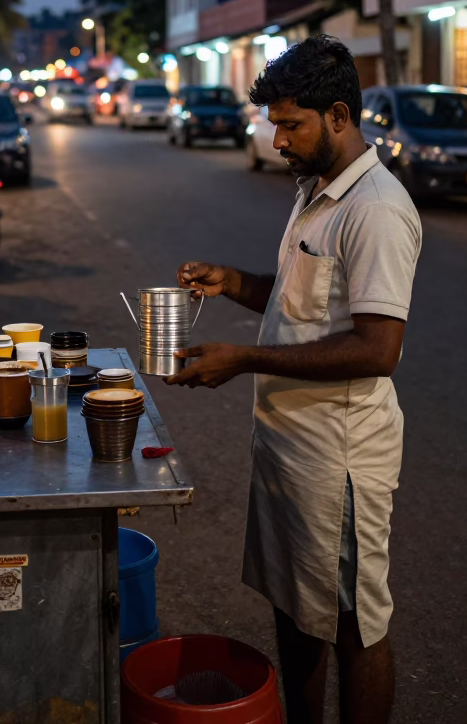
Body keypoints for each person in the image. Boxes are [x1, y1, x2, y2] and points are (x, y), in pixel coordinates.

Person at [168, 36, 421, 724]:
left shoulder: (377, 208)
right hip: (288, 446)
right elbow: (301, 299)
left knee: (352, 625)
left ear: (338, 116)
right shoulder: (316, 190)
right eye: (274, 123)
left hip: (336, 458)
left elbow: (377, 348)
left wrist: (243, 359)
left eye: (290, 125)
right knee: (296, 608)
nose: (276, 140)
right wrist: (235, 283)